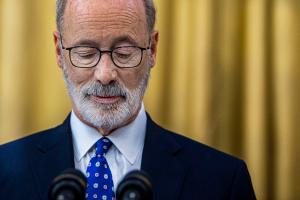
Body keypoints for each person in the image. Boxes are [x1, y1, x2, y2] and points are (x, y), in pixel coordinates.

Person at [0, 0, 256, 199]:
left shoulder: (223, 181)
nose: (105, 75)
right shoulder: (5, 172)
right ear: (59, 51)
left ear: (152, 49)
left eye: (124, 52)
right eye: (86, 53)